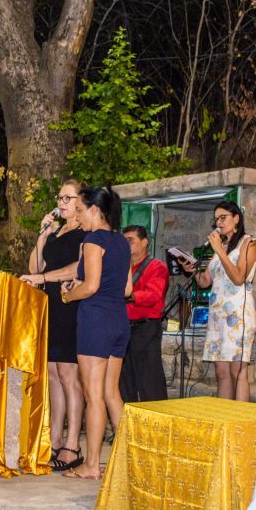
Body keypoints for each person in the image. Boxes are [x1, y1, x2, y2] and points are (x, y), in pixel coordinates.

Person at [58, 186, 132, 480]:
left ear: (94, 209)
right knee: (112, 393)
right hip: (119, 321)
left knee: (93, 396)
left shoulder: (93, 240)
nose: (78, 217)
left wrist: (67, 296)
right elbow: (127, 289)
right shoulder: (121, 241)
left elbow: (90, 286)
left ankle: (90, 465)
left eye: (80, 211)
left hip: (96, 322)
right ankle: (126, 460)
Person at [18, 179, 86, 471]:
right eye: (60, 197)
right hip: (51, 306)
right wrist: (43, 235)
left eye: (68, 198)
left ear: (81, 201)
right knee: (54, 374)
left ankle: (73, 444)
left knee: (69, 375)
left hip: (70, 304)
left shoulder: (85, 232)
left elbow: (79, 268)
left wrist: (44, 278)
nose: (61, 202)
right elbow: (35, 268)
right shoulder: (56, 231)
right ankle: (55, 440)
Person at [182, 200, 256, 401]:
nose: (219, 223)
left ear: (236, 218)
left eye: (223, 217)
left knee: (237, 372)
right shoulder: (220, 248)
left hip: (238, 315)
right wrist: (192, 270)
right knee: (222, 373)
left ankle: (240, 417)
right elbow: (205, 281)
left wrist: (220, 252)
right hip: (217, 317)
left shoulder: (249, 243)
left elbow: (239, 278)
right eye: (216, 219)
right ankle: (224, 416)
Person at [119, 225, 169, 402]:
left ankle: (155, 419)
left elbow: (154, 295)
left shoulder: (157, 267)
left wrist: (130, 295)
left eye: (130, 240)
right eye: (123, 241)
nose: (126, 244)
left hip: (146, 328)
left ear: (144, 242)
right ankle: (127, 418)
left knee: (150, 380)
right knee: (124, 382)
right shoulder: (121, 268)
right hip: (123, 327)